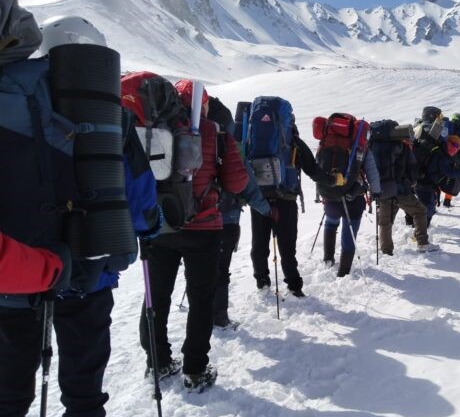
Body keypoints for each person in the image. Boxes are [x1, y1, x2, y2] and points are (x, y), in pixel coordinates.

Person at [1, 0, 162, 417]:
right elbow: (139, 198)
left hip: (13, 287)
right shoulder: (111, 113)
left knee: (5, 405)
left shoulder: (5, 92)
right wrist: (149, 231)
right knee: (84, 395)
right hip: (90, 276)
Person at [138, 80, 249, 393]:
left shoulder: (153, 127)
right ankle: (195, 370)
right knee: (200, 299)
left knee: (155, 296)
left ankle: (157, 362)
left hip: (160, 227)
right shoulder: (215, 131)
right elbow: (237, 183)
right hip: (203, 228)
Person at [250, 111, 341, 297]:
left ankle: (262, 282)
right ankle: (294, 286)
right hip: (286, 200)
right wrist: (331, 181)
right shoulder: (294, 142)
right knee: (286, 246)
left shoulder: (253, 139)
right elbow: (313, 170)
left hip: (259, 199)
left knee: (259, 244)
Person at [205, 96, 271, 328]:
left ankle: (201, 316)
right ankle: (219, 318)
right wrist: (266, 209)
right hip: (227, 218)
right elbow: (247, 184)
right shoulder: (230, 145)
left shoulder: (190, 139)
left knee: (199, 271)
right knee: (221, 270)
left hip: (191, 218)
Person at [322, 142, 381, 278]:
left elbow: (320, 167)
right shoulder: (362, 147)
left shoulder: (328, 142)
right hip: (354, 197)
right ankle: (343, 272)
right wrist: (376, 191)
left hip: (332, 195)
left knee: (330, 223)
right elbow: (372, 170)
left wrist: (322, 192)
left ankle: (328, 259)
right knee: (349, 234)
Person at [375, 131, 439, 255]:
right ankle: (423, 243)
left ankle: (386, 250)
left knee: (386, 222)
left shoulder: (380, 147)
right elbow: (412, 171)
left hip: (383, 190)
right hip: (400, 190)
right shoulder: (404, 148)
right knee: (420, 211)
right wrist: (413, 181)